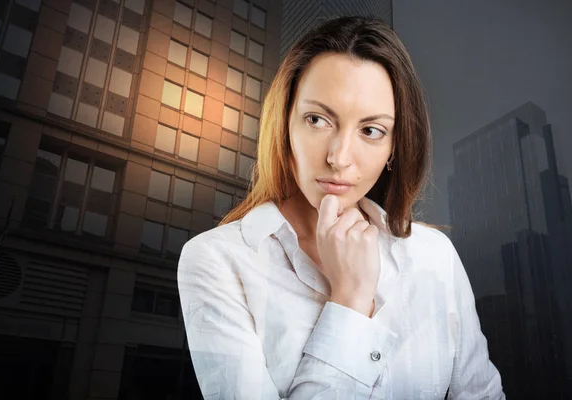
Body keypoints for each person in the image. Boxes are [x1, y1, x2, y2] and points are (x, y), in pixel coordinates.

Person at [177, 16, 505, 400]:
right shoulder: (218, 260)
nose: (339, 157)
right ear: (285, 124)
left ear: (393, 148)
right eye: (317, 120)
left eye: (371, 130)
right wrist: (349, 299)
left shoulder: (434, 257)